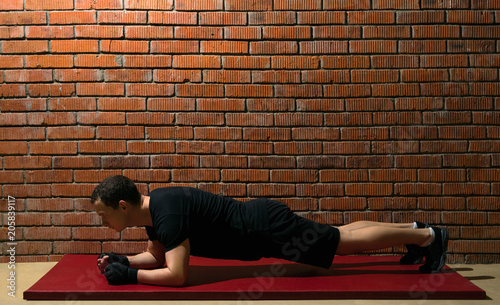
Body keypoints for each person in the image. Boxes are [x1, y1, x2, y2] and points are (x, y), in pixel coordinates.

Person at [91, 175, 448, 286]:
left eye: (104, 216)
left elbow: (178, 273)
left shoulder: (167, 216)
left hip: (267, 229)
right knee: (339, 234)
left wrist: (131, 277)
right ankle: (414, 232)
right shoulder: (158, 211)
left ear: (123, 206)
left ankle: (429, 237)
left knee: (342, 243)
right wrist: (126, 259)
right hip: (263, 221)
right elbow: (158, 255)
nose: (104, 223)